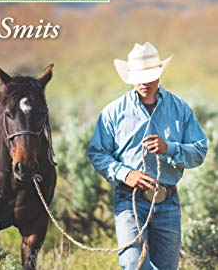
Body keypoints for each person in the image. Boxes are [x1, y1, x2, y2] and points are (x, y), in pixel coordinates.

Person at [88, 42, 208, 270]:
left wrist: (170, 148)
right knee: (134, 264)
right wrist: (125, 173)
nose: (144, 82)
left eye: (150, 76)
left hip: (168, 202)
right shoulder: (113, 112)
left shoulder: (180, 109)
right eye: (139, 77)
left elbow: (200, 151)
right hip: (129, 201)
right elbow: (98, 153)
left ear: (159, 74)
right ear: (131, 77)